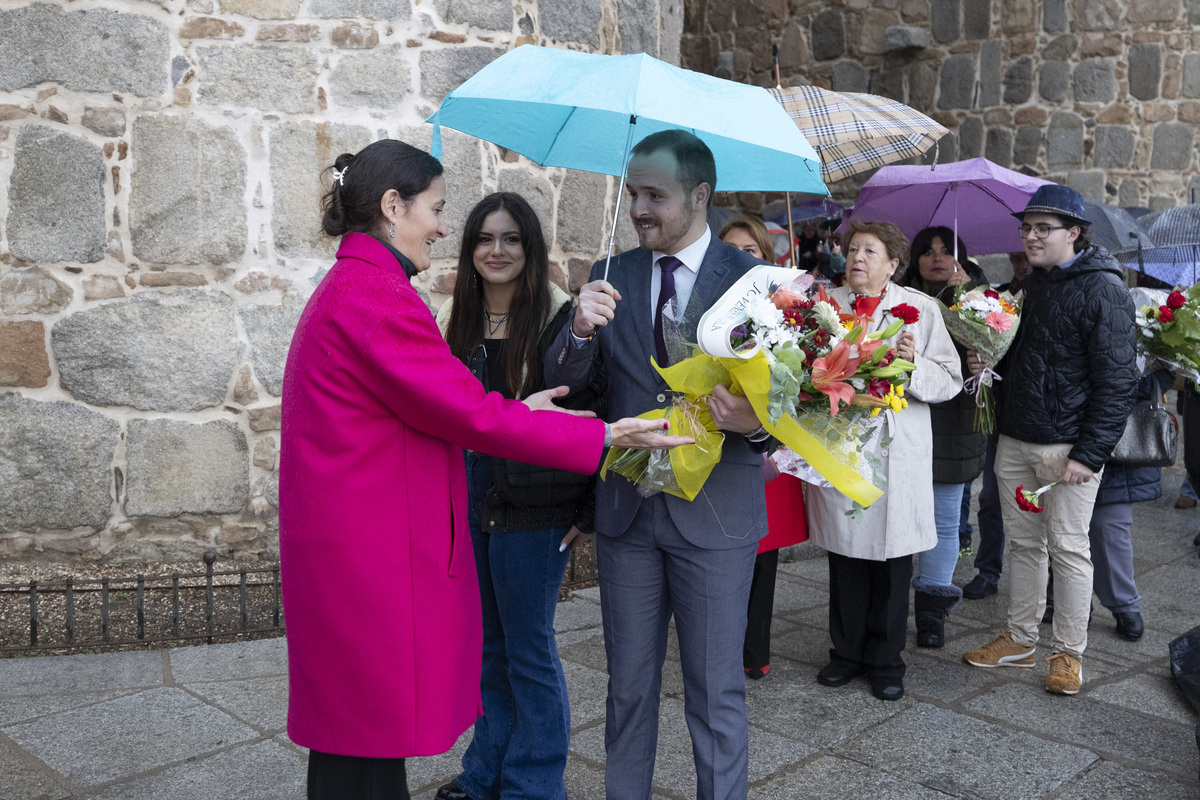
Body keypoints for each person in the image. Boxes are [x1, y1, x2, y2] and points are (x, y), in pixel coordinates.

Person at [279, 140, 689, 800]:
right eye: (436, 209)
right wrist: (603, 437)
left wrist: (513, 409)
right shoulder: (376, 296)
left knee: (355, 742)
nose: (444, 226)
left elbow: (444, 406)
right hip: (362, 554)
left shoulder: (358, 286)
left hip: (350, 546)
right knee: (364, 742)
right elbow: (468, 415)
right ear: (392, 206)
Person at [545, 129, 770, 800]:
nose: (640, 208)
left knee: (715, 691)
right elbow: (570, 390)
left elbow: (796, 404)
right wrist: (578, 331)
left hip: (717, 517)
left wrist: (754, 424)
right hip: (628, 517)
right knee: (628, 687)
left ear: (699, 196)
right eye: (633, 194)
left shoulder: (755, 283)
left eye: (656, 196)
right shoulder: (611, 275)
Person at [433, 192, 603, 800]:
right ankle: (485, 773)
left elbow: (592, 414)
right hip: (472, 498)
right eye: (484, 239)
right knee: (488, 646)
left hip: (536, 507)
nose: (496, 251)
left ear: (529, 248)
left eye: (510, 239)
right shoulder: (455, 320)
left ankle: (534, 784)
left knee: (529, 648)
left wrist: (587, 513)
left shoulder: (561, 318)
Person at [962, 184, 1136, 696]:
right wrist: (989, 360)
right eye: (1026, 227)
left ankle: (1067, 654)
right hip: (1016, 440)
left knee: (1068, 548)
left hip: (1067, 451)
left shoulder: (1104, 289)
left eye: (1043, 229)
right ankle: (1018, 639)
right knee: (1023, 546)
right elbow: (1026, 357)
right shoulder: (1034, 283)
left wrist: (1089, 454)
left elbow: (1117, 381)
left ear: (1074, 233)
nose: (1030, 237)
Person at [808, 220, 962, 701]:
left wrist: (910, 363)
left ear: (893, 264)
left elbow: (949, 377)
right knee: (846, 551)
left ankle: (886, 660)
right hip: (841, 444)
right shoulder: (824, 305)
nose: (857, 258)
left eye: (869, 251)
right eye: (852, 249)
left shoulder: (919, 310)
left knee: (893, 556)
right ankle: (845, 653)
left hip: (896, 447)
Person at [717, 216, 809, 680]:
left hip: (766, 446)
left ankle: (753, 652)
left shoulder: (787, 312)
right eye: (730, 248)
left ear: (766, 257)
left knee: (761, 553)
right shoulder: (707, 307)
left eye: (749, 249)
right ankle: (716, 643)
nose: (739, 256)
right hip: (712, 437)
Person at [897, 226, 987, 648]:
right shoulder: (899, 298)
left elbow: (991, 356)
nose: (936, 258)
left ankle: (933, 614)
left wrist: (970, 303)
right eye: (927, 251)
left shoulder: (982, 297)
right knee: (897, 513)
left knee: (945, 518)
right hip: (905, 414)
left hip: (956, 421)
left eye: (946, 250)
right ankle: (889, 605)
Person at [961, 250, 1032, 600]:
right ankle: (988, 570)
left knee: (1036, 505)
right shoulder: (997, 299)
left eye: (1025, 259)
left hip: (1036, 417)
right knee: (990, 499)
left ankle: (1044, 590)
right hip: (1001, 412)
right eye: (1016, 258)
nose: (1022, 265)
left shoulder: (1045, 298)